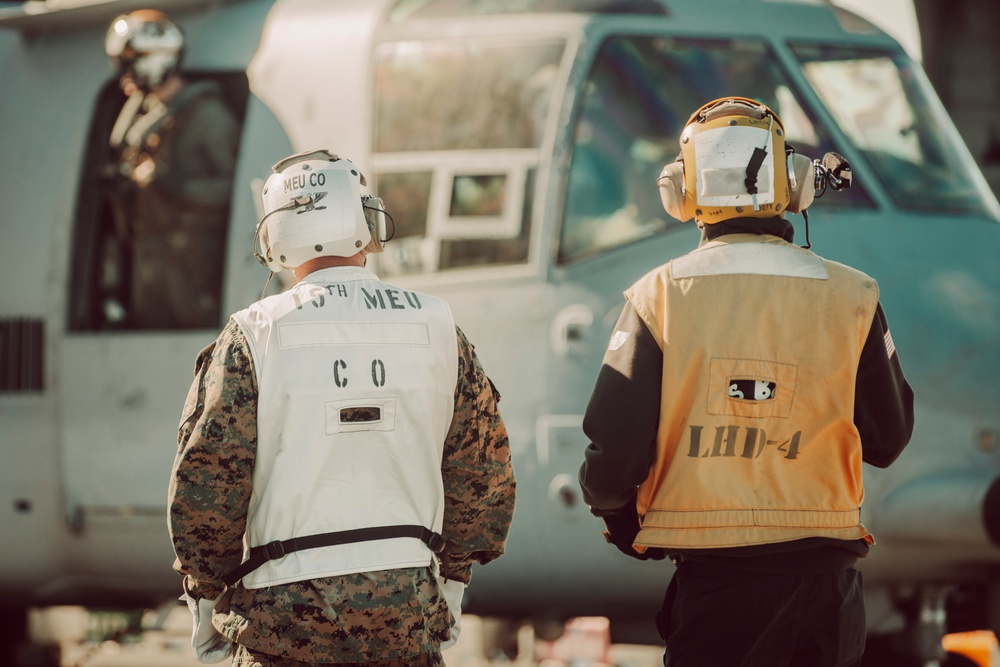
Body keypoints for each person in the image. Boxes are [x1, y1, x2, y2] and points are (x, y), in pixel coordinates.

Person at [578, 97, 914, 667]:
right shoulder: (855, 297)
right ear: (796, 184)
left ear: (682, 193)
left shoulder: (657, 298)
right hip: (829, 596)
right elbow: (888, 439)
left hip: (720, 592)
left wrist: (621, 518)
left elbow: (614, 456)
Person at [168, 149, 516, 666]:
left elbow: (206, 489)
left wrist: (205, 596)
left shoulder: (251, 335)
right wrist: (453, 579)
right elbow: (483, 474)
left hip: (279, 629)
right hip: (407, 619)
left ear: (272, 239)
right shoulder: (439, 327)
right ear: (366, 221)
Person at [102, 9, 239, 329]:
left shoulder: (208, 117)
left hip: (193, 265)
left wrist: (177, 187)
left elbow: (239, 189)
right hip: (150, 258)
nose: (124, 76)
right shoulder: (143, 116)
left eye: (129, 64)